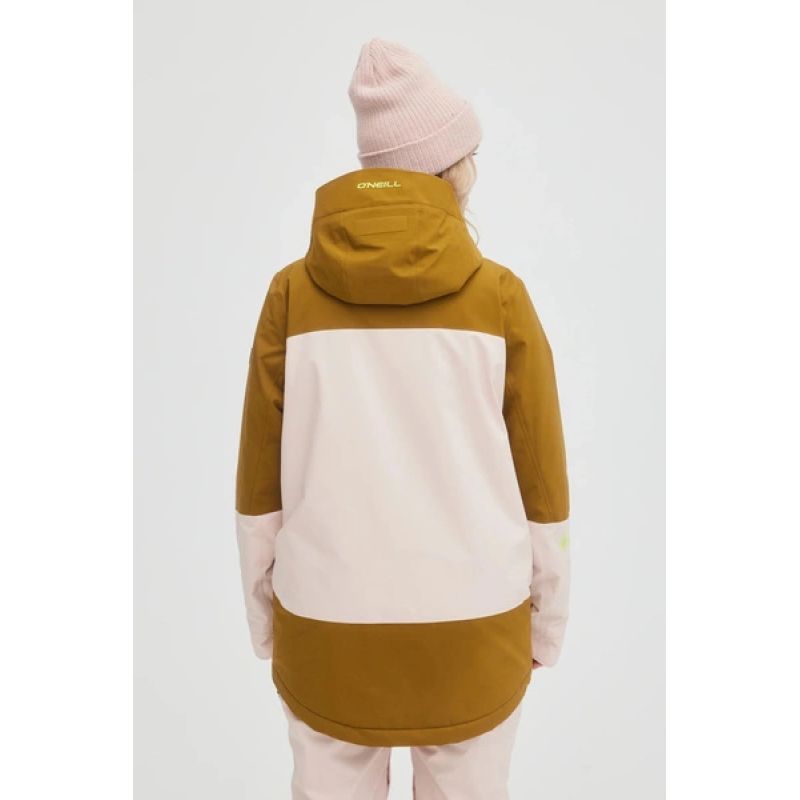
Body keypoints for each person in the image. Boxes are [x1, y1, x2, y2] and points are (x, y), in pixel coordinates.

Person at [235, 37, 570, 800]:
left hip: (326, 634)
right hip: (476, 633)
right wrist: (546, 624)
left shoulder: (291, 297)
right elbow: (543, 487)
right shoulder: (500, 298)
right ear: (451, 167)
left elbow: (259, 490)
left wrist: (266, 623)